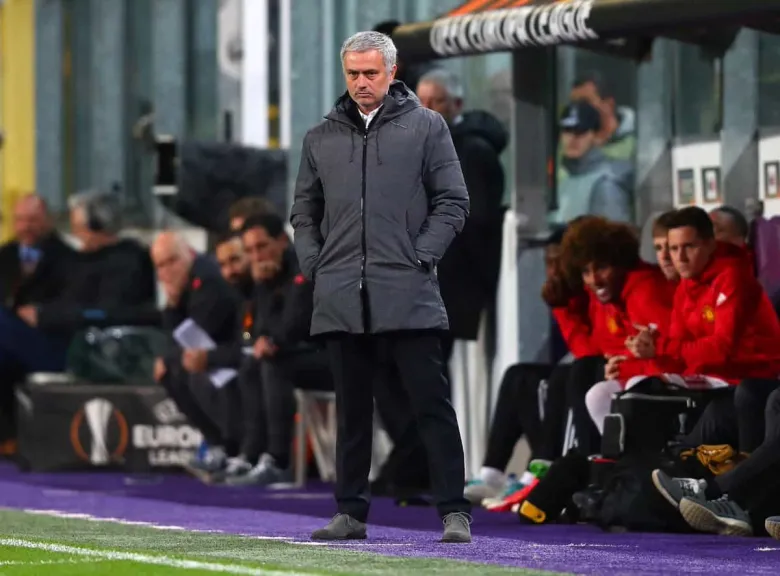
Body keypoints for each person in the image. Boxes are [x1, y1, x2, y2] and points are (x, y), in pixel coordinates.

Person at [290, 31, 471, 543]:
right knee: (352, 411)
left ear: (392, 72)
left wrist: (421, 255)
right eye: (353, 73)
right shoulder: (320, 137)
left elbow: (454, 201)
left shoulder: (428, 127)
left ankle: (454, 512)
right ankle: (350, 513)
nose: (361, 82)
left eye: (371, 73)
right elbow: (304, 211)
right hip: (341, 293)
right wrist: (316, 264)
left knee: (431, 405)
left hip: (407, 289)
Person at [0, 191, 157, 377]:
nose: (76, 235)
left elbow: (103, 313)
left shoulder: (128, 262)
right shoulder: (81, 259)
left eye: (79, 229)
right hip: (57, 339)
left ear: (98, 225)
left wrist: (45, 316)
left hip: (81, 351)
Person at [225, 213, 331, 486]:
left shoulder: (304, 266)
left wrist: (271, 341)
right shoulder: (266, 277)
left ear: (282, 241)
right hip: (296, 353)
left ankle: (279, 460)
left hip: (330, 354)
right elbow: (260, 329)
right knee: (251, 367)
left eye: (262, 246)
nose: (257, 256)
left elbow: (295, 324)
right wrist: (264, 287)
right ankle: (252, 454)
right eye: (250, 250)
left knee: (275, 365)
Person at [416, 68, 506, 359]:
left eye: (436, 101)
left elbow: (474, 217)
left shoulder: (472, 151)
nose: (426, 109)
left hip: (452, 280)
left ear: (457, 104)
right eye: (421, 101)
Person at [151, 232, 243, 479]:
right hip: (215, 354)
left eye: (172, 261)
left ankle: (229, 446)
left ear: (189, 254)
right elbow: (177, 336)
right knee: (172, 370)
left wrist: (169, 358)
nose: (168, 270)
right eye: (161, 265)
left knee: (185, 368)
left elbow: (202, 330)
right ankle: (215, 441)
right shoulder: (184, 286)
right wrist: (172, 303)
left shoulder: (207, 278)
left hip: (232, 354)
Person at [550, 101, 632, 225]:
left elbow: (614, 235)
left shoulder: (605, 183)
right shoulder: (565, 182)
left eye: (580, 131)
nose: (572, 138)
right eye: (567, 130)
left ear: (595, 135)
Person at [0, 195, 74, 310]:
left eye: (32, 220)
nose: (25, 226)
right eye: (19, 220)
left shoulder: (67, 256)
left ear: (48, 221)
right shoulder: (4, 254)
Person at [569, 71, 636, 162]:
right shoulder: (570, 141)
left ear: (609, 105)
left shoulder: (641, 137)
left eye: (585, 102)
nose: (577, 110)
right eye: (574, 104)